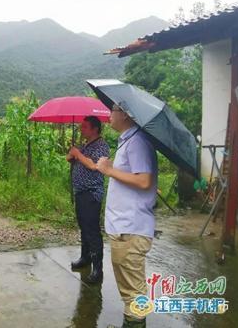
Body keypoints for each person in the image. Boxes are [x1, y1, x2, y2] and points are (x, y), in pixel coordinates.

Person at [96, 105, 158, 328]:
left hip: (131, 228)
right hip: (123, 227)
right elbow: (132, 175)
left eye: (112, 110)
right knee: (128, 290)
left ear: (125, 114)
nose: (108, 115)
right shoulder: (127, 141)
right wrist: (112, 166)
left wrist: (109, 170)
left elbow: (144, 181)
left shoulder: (138, 141)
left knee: (133, 293)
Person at [66, 116, 109, 284]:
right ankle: (85, 258)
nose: (81, 129)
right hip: (81, 192)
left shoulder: (101, 146)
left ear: (95, 129)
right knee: (83, 227)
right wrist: (72, 156)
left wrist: (77, 153)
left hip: (91, 194)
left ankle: (98, 269)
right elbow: (76, 161)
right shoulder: (85, 145)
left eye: (85, 127)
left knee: (92, 231)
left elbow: (94, 166)